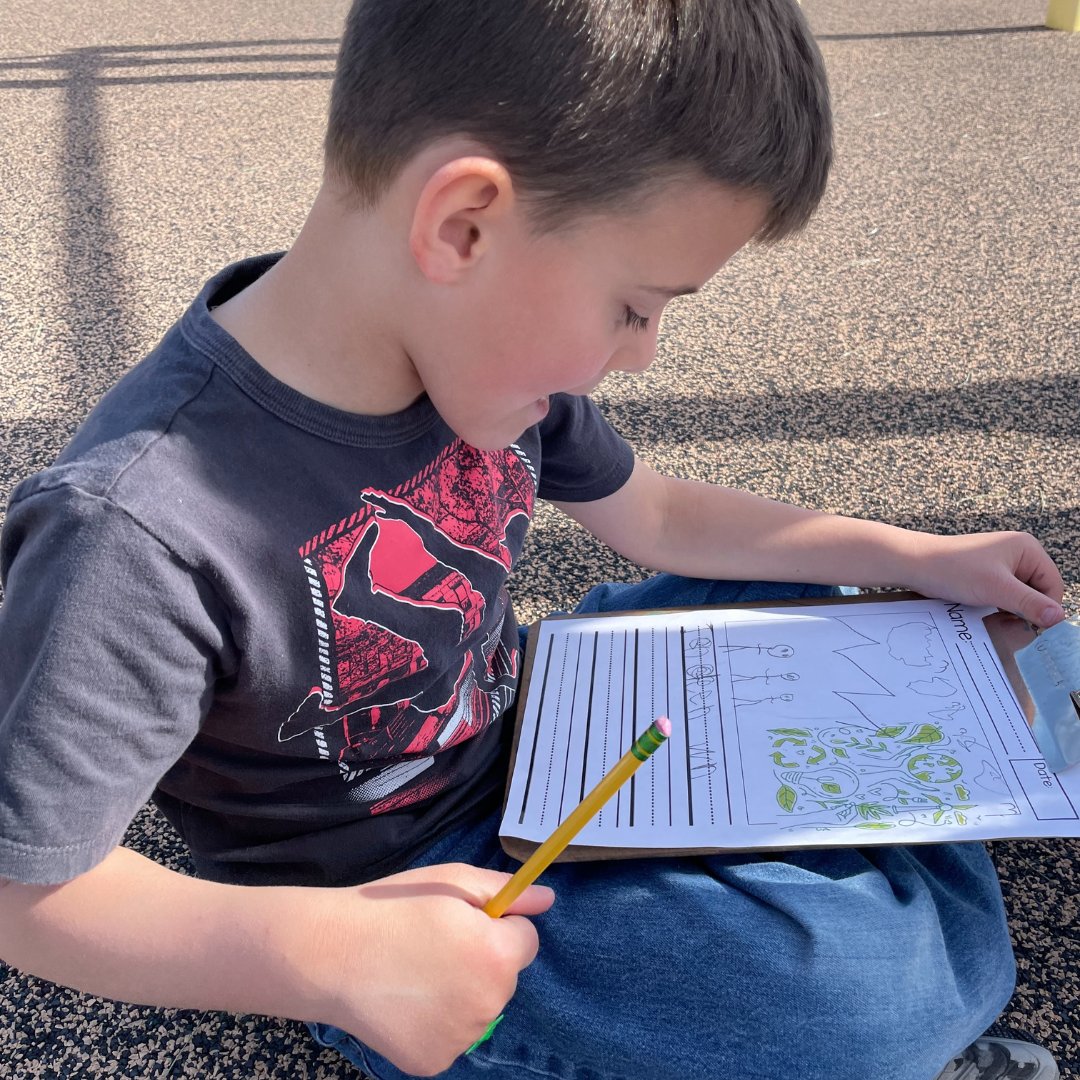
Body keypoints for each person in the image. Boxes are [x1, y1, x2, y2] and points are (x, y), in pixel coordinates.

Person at [0, 2, 1065, 1078]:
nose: (642, 354)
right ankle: (892, 878)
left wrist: (911, 556)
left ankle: (884, 852)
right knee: (849, 1007)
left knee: (837, 605)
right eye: (635, 306)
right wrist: (324, 958)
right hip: (419, 883)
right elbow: (26, 892)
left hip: (556, 708)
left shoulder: (480, 357)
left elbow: (657, 515)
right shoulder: (132, 531)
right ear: (463, 223)